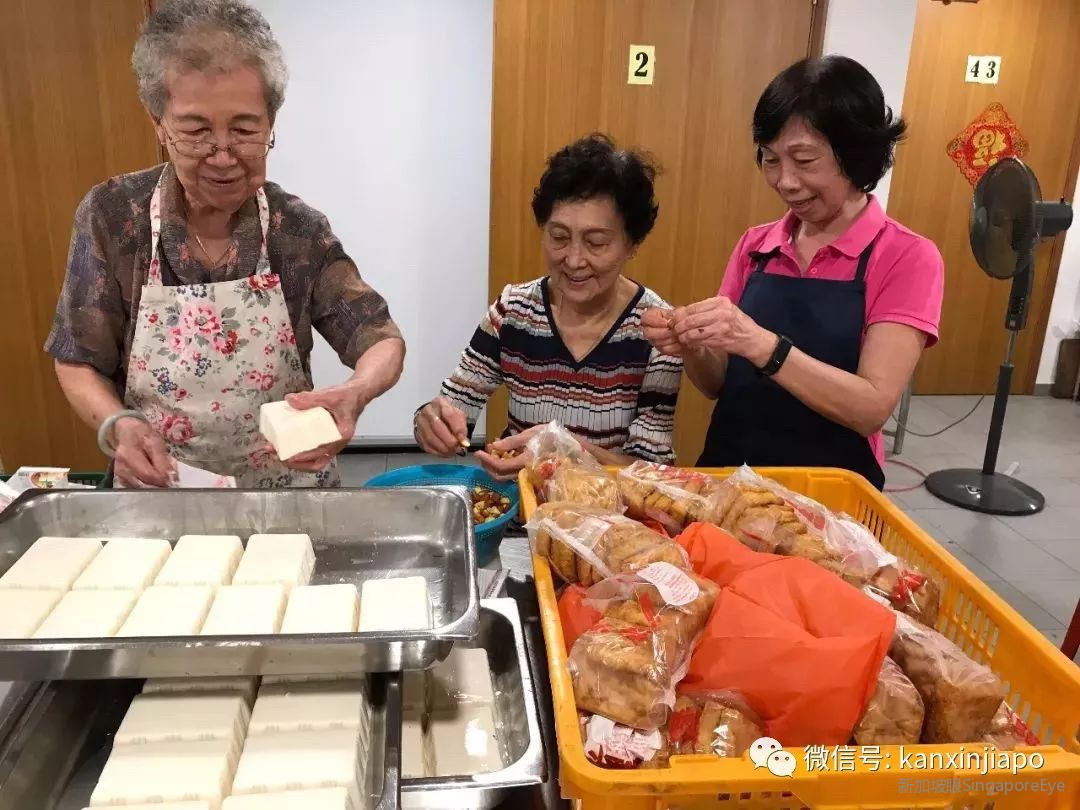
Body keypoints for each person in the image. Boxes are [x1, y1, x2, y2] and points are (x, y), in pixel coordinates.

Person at [45, 0, 404, 488]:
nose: (222, 156)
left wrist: (356, 393)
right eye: (195, 131)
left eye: (244, 130)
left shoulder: (295, 229)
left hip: (286, 494)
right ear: (159, 125)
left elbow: (379, 337)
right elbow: (78, 357)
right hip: (160, 490)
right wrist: (118, 426)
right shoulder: (113, 216)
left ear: (270, 125)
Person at [644, 56, 943, 490]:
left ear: (857, 155)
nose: (785, 181)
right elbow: (717, 384)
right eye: (770, 160)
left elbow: (870, 408)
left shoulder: (907, 256)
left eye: (804, 160)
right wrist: (692, 346)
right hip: (731, 476)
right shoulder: (756, 246)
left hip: (831, 491)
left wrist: (761, 344)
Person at [414, 134, 683, 480]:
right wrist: (430, 421)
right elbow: (454, 408)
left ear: (631, 243)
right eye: (558, 237)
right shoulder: (513, 312)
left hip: (605, 523)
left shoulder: (655, 331)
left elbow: (653, 472)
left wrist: (562, 449)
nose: (573, 260)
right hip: (520, 511)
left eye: (596, 243)